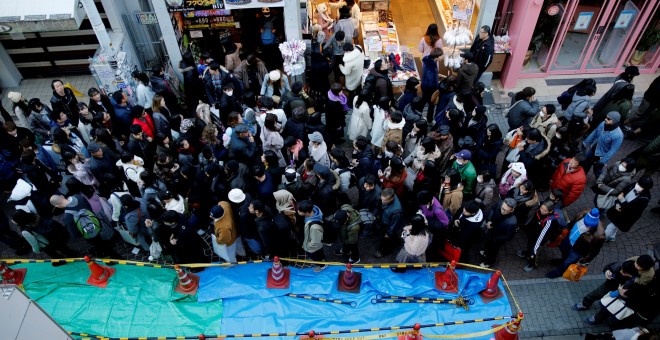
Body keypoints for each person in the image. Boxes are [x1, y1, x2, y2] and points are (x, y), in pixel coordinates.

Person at [573, 256, 653, 311]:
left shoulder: (647, 275)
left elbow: (640, 285)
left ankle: (598, 317)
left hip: (624, 290)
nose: (635, 264)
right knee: (595, 294)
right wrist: (607, 271)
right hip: (612, 283)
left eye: (638, 265)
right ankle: (585, 304)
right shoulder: (634, 261)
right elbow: (612, 266)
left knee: (610, 306)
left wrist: (630, 279)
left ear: (644, 268)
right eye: (636, 262)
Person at [545, 208, 605, 278]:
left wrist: (584, 260)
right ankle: (562, 261)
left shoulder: (599, 236)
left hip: (577, 250)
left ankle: (559, 272)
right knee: (564, 253)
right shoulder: (582, 214)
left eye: (589, 227)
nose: (587, 227)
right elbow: (572, 223)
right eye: (586, 224)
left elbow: (594, 251)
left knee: (568, 261)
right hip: (568, 240)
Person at [516, 200, 565, 272]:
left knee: (536, 250)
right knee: (530, 244)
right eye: (541, 208)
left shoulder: (549, 221)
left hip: (542, 237)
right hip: (534, 232)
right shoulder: (540, 211)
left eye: (544, 210)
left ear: (550, 211)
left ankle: (532, 263)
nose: (541, 211)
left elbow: (542, 236)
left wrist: (534, 250)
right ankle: (527, 253)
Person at [12, 210, 78, 260]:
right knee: (63, 247)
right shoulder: (33, 216)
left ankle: (62, 260)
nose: (12, 221)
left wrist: (36, 250)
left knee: (53, 253)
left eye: (14, 220)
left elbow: (34, 243)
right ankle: (72, 254)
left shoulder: (25, 231)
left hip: (46, 243)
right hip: (54, 235)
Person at [605, 176, 653, 242]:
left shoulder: (644, 199)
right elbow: (623, 192)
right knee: (614, 225)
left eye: (640, 186)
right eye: (638, 183)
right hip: (618, 210)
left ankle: (607, 237)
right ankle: (611, 236)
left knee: (610, 227)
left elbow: (633, 211)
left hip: (625, 216)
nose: (637, 186)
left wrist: (622, 201)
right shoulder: (633, 185)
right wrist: (618, 202)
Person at [582, 111, 624, 177]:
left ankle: (599, 182)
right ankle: (582, 176)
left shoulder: (618, 135)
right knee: (586, 163)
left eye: (608, 119)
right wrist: (585, 142)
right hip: (594, 148)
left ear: (614, 121)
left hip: (601, 155)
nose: (605, 119)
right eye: (606, 117)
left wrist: (602, 161)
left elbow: (613, 150)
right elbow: (595, 132)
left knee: (597, 170)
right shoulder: (603, 123)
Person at [480, 198, 517, 268]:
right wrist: (489, 220)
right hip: (492, 230)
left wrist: (496, 239)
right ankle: (485, 252)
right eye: (502, 208)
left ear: (512, 210)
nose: (502, 211)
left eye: (506, 211)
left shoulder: (512, 222)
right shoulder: (500, 203)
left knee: (493, 251)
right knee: (488, 242)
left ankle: (489, 262)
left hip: (498, 238)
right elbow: (493, 209)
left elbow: (509, 236)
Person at [373, 188, 404, 259]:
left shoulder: (397, 211)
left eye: (385, 200)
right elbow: (380, 204)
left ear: (392, 198)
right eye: (382, 199)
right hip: (385, 219)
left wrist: (389, 233)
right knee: (392, 236)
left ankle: (383, 251)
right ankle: (397, 242)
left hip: (388, 224)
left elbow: (395, 224)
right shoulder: (386, 195)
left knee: (386, 239)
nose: (382, 201)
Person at [298, 200, 327, 272]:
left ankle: (322, 265)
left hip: (314, 248)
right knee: (317, 254)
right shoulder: (314, 210)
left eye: (300, 211)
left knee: (316, 256)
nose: (298, 211)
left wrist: (307, 246)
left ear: (307, 213)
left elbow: (315, 242)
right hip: (312, 242)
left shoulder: (314, 227)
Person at [421, 48, 444, 113]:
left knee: (423, 101)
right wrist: (436, 89)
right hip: (430, 90)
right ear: (436, 57)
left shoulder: (428, 60)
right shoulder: (432, 68)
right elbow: (431, 81)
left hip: (424, 85)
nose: (442, 57)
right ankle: (429, 119)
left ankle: (418, 113)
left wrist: (441, 76)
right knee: (431, 104)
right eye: (441, 56)